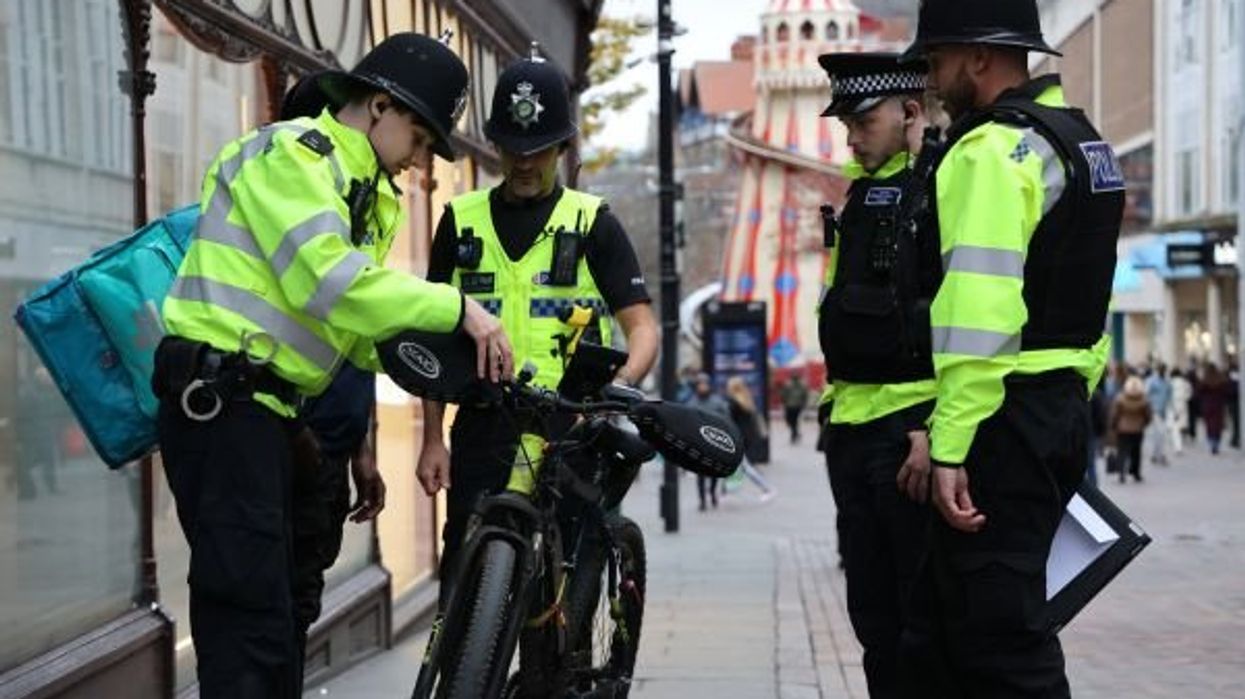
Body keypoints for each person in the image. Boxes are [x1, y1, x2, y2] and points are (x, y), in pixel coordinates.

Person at [153, 34, 513, 699]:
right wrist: (457, 307)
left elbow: (356, 333)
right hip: (224, 402)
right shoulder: (292, 154)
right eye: (419, 137)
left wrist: (455, 373)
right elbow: (330, 283)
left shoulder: (363, 190)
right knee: (249, 624)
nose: (420, 158)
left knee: (282, 618)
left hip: (272, 413)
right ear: (378, 106)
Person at [897, 2, 1125, 696]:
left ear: (978, 56)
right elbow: (1088, 299)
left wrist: (951, 444)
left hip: (1003, 414)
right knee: (955, 627)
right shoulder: (1081, 143)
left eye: (937, 60)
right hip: (1055, 405)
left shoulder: (988, 151)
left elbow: (978, 312)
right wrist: (1067, 395)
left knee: (999, 639)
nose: (931, 78)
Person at [416, 52, 658, 592]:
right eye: (512, 149)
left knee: (565, 576)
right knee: (463, 577)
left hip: (569, 425)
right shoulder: (459, 221)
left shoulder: (593, 223)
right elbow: (432, 335)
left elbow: (642, 327)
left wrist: (620, 387)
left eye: (538, 150)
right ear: (495, 145)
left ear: (563, 147)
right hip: (484, 420)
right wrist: (432, 438)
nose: (524, 163)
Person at [815, 51, 938, 699]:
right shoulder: (862, 195)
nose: (851, 138)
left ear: (909, 112)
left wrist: (930, 425)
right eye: (846, 125)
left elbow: (949, 315)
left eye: (863, 122)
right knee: (872, 613)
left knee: (920, 618)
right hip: (853, 427)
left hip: (905, 432)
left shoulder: (937, 189)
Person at [274, 72, 389, 690]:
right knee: (279, 606)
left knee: (299, 601)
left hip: (330, 450)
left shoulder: (356, 214)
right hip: (291, 446)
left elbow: (352, 340)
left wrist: (361, 452)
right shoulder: (293, 213)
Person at [725, 376, 777, 502]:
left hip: (737, 437)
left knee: (744, 466)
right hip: (747, 437)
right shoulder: (746, 399)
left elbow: (730, 421)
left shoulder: (733, 403)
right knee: (732, 464)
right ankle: (724, 492)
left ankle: (767, 489)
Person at [1109, 375, 1151, 483]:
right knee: (1136, 452)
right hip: (1138, 429)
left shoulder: (1120, 398)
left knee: (1122, 451)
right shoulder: (1143, 399)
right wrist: (1144, 423)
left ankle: (1121, 473)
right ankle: (1136, 473)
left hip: (1123, 429)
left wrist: (1113, 425)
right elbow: (1148, 415)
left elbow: (1115, 414)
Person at [1199, 363, 1230, 455]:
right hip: (1218, 405)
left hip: (1207, 405)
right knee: (1217, 426)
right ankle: (1216, 444)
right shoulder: (1221, 380)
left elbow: (1199, 392)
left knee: (1209, 425)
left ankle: (1212, 443)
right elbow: (1226, 392)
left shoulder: (1205, 380)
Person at [1144, 363, 1172, 465]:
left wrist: (1172, 409)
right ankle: (1161, 454)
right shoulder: (1151, 381)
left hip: (1163, 411)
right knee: (1160, 433)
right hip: (1154, 410)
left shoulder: (1167, 382)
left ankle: (1155, 455)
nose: (1162, 372)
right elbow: (1146, 394)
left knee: (1160, 434)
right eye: (1161, 370)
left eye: (1163, 370)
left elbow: (1170, 395)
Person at [779, 373, 810, 443]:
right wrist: (804, 403)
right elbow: (805, 395)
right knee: (793, 420)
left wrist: (783, 401)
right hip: (795, 406)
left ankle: (794, 434)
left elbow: (783, 395)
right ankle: (795, 433)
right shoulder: (801, 386)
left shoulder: (789, 385)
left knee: (791, 420)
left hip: (790, 406)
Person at [1169, 367, 1192, 455]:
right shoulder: (1185, 383)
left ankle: (1178, 446)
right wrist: (1185, 399)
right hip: (1183, 404)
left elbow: (1168, 395)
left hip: (1173, 405)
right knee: (1182, 422)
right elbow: (1189, 393)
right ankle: (1181, 435)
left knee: (1175, 425)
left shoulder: (1170, 383)